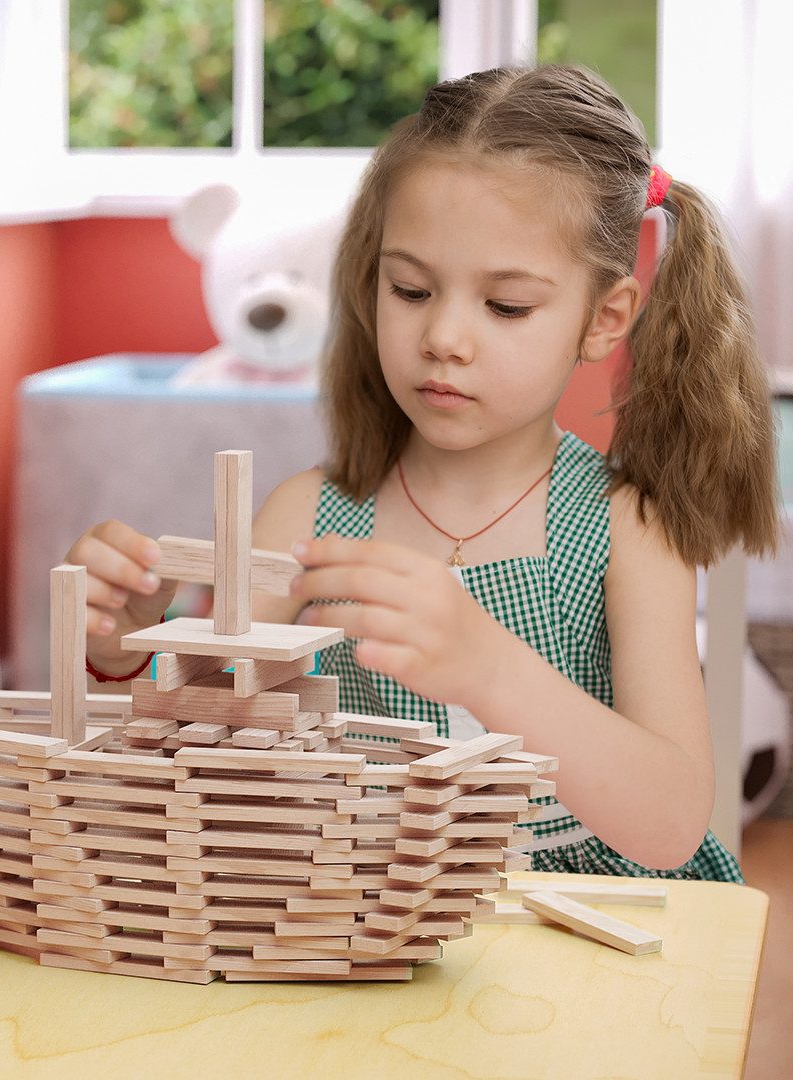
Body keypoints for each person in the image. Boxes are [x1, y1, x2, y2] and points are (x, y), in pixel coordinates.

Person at [66, 64, 781, 882]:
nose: (443, 335)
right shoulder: (308, 518)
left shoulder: (627, 526)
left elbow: (669, 827)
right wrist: (129, 649)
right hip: (362, 927)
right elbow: (199, 755)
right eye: (411, 288)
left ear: (604, 318)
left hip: (579, 935)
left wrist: (486, 665)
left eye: (505, 306)